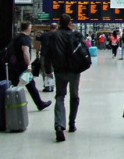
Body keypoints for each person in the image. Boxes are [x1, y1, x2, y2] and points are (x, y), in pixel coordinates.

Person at [45, 14, 84, 142]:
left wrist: (48, 69)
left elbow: (48, 53)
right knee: (74, 96)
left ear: (59, 22)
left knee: (60, 97)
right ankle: (72, 123)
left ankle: (59, 126)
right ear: (69, 22)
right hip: (74, 71)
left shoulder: (54, 36)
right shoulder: (75, 35)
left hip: (60, 70)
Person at [7, 21, 52, 111]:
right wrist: (29, 65)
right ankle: (40, 104)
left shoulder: (16, 37)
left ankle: (10, 104)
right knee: (31, 84)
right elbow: (25, 51)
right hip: (22, 65)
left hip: (14, 65)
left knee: (14, 85)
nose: (31, 29)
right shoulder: (25, 39)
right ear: (27, 28)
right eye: (30, 27)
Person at [37, 22, 58, 92]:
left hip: (44, 55)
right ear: (56, 28)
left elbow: (38, 45)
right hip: (54, 56)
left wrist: (37, 53)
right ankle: (52, 85)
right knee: (53, 71)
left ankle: (47, 86)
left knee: (45, 71)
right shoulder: (57, 35)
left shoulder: (44, 35)